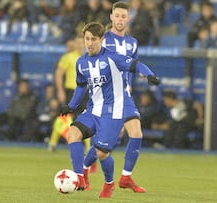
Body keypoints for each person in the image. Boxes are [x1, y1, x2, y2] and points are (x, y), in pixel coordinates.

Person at [59, 21, 159, 198]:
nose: (89, 43)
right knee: (72, 134)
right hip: (93, 109)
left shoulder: (113, 57)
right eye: (87, 39)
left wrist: (149, 74)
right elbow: (81, 86)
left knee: (102, 153)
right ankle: (80, 178)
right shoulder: (81, 62)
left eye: (93, 39)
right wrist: (71, 106)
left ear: (101, 39)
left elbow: (136, 65)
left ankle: (109, 183)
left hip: (113, 111)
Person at [83, 1, 147, 193]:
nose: (120, 20)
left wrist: (139, 75)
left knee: (136, 133)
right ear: (111, 17)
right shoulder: (102, 39)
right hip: (105, 97)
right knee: (103, 145)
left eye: (123, 16)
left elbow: (130, 68)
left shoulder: (132, 43)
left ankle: (126, 177)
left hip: (124, 96)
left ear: (128, 18)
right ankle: (84, 171)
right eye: (116, 16)